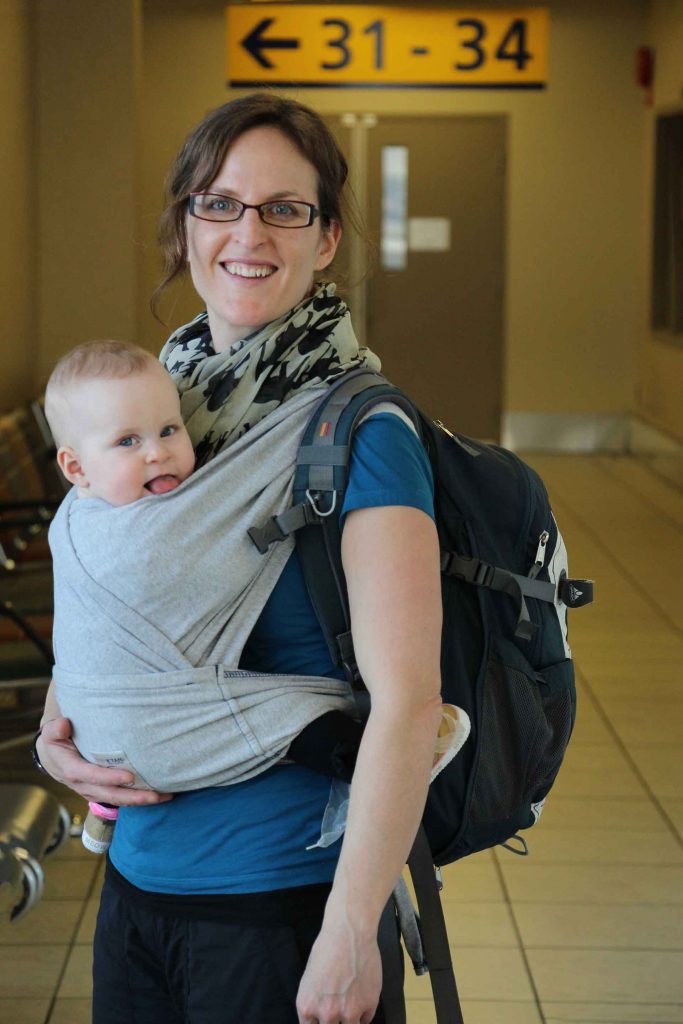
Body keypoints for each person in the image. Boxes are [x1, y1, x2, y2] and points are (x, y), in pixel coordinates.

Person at [35, 93, 450, 1024]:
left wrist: (348, 937)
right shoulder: (153, 411)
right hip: (140, 893)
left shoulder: (361, 432)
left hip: (276, 906)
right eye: (218, 203)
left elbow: (410, 704)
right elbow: (113, 606)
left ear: (327, 237)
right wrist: (66, 739)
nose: (246, 232)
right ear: (185, 226)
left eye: (284, 208)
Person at [45, 340, 465, 848]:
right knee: (281, 715)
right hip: (120, 783)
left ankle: (379, 761)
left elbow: (407, 694)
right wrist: (56, 730)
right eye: (127, 442)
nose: (158, 452)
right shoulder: (79, 523)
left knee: (291, 722)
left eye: (169, 430)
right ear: (76, 469)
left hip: (269, 858)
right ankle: (105, 807)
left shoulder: (354, 422)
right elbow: (83, 629)